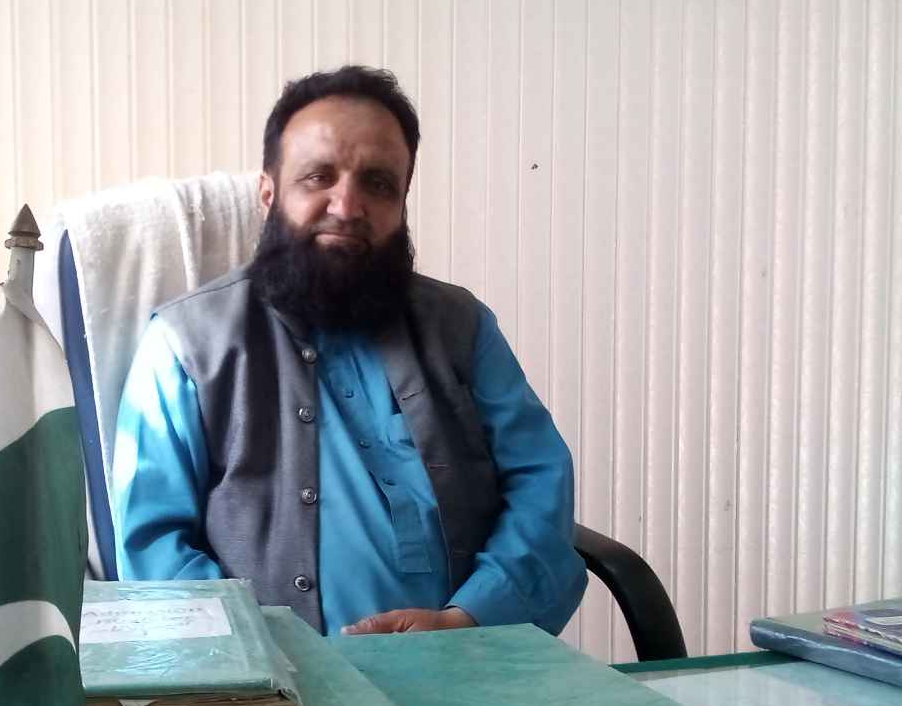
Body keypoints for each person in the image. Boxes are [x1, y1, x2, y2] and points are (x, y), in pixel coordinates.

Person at [111, 65, 587, 637]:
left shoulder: (462, 326)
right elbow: (152, 547)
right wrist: (266, 654)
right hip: (271, 678)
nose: (347, 205)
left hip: (467, 658)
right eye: (319, 177)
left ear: (402, 202)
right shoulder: (185, 345)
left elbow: (540, 483)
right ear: (269, 194)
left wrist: (469, 619)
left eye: (378, 184)